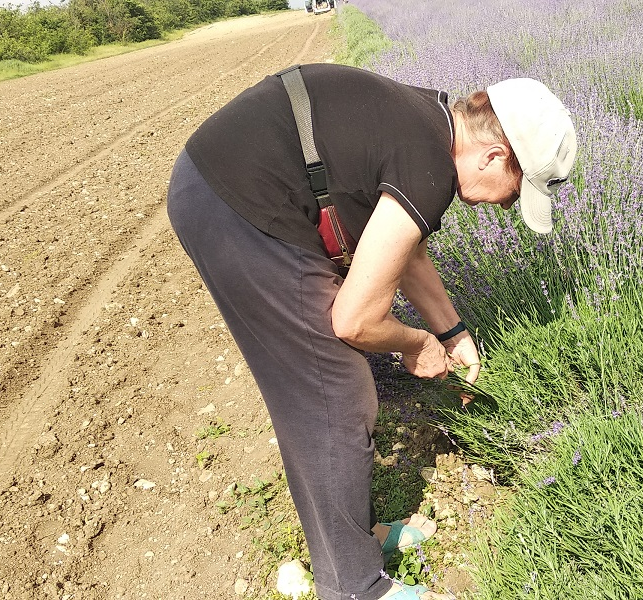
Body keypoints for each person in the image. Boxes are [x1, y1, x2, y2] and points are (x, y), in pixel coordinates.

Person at [166, 63, 576, 600]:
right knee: (332, 389)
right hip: (236, 202)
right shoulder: (429, 164)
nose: (503, 207)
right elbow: (354, 320)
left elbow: (399, 250)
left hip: (215, 182)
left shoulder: (426, 121)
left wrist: (452, 332)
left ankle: (348, 549)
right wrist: (418, 343)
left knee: (322, 388)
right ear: (495, 156)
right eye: (514, 192)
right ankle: (356, 588)